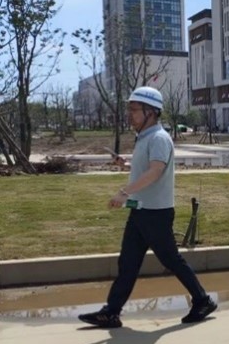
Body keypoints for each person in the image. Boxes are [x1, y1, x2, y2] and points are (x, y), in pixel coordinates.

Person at [78, 87, 217, 329]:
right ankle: (111, 312)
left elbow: (155, 171)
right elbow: (146, 168)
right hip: (141, 211)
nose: (130, 115)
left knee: (171, 260)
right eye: (130, 109)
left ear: (150, 112)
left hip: (156, 213)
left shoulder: (159, 138)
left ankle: (202, 300)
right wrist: (126, 164)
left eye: (134, 110)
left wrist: (124, 192)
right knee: (128, 263)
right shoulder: (145, 137)